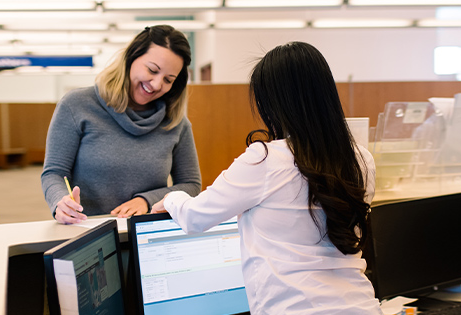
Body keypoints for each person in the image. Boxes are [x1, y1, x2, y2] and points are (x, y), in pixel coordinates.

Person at [153, 42, 381, 314]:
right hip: (361, 305)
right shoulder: (361, 159)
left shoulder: (266, 159)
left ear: (274, 104)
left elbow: (195, 216)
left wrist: (172, 198)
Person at [41, 25, 202, 224]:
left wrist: (147, 200)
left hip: (147, 235)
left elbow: (191, 185)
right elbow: (54, 172)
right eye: (152, 70)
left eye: (168, 80)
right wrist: (60, 202)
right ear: (130, 59)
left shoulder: (176, 123)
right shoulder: (77, 105)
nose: (157, 85)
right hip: (88, 233)